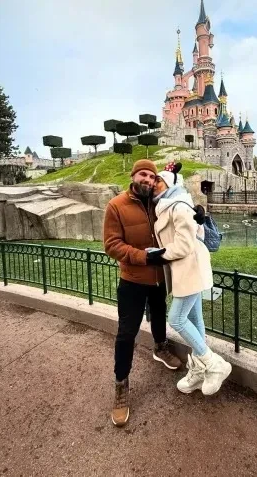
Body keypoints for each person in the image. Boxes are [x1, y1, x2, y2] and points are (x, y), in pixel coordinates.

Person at [103, 159, 205, 427]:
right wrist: (144, 257)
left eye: (152, 176)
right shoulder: (116, 205)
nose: (148, 180)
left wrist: (197, 216)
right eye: (143, 175)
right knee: (126, 333)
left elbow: (179, 206)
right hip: (133, 279)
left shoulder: (158, 201)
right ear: (133, 176)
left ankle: (160, 348)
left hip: (159, 278)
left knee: (159, 316)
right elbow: (112, 245)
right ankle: (121, 384)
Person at [153, 162, 232, 396]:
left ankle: (214, 364)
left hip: (191, 268)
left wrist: (158, 254)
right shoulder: (165, 206)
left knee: (176, 319)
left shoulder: (178, 206)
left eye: (159, 181)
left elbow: (185, 245)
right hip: (184, 269)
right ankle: (199, 370)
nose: (155, 184)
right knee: (196, 320)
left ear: (170, 184)